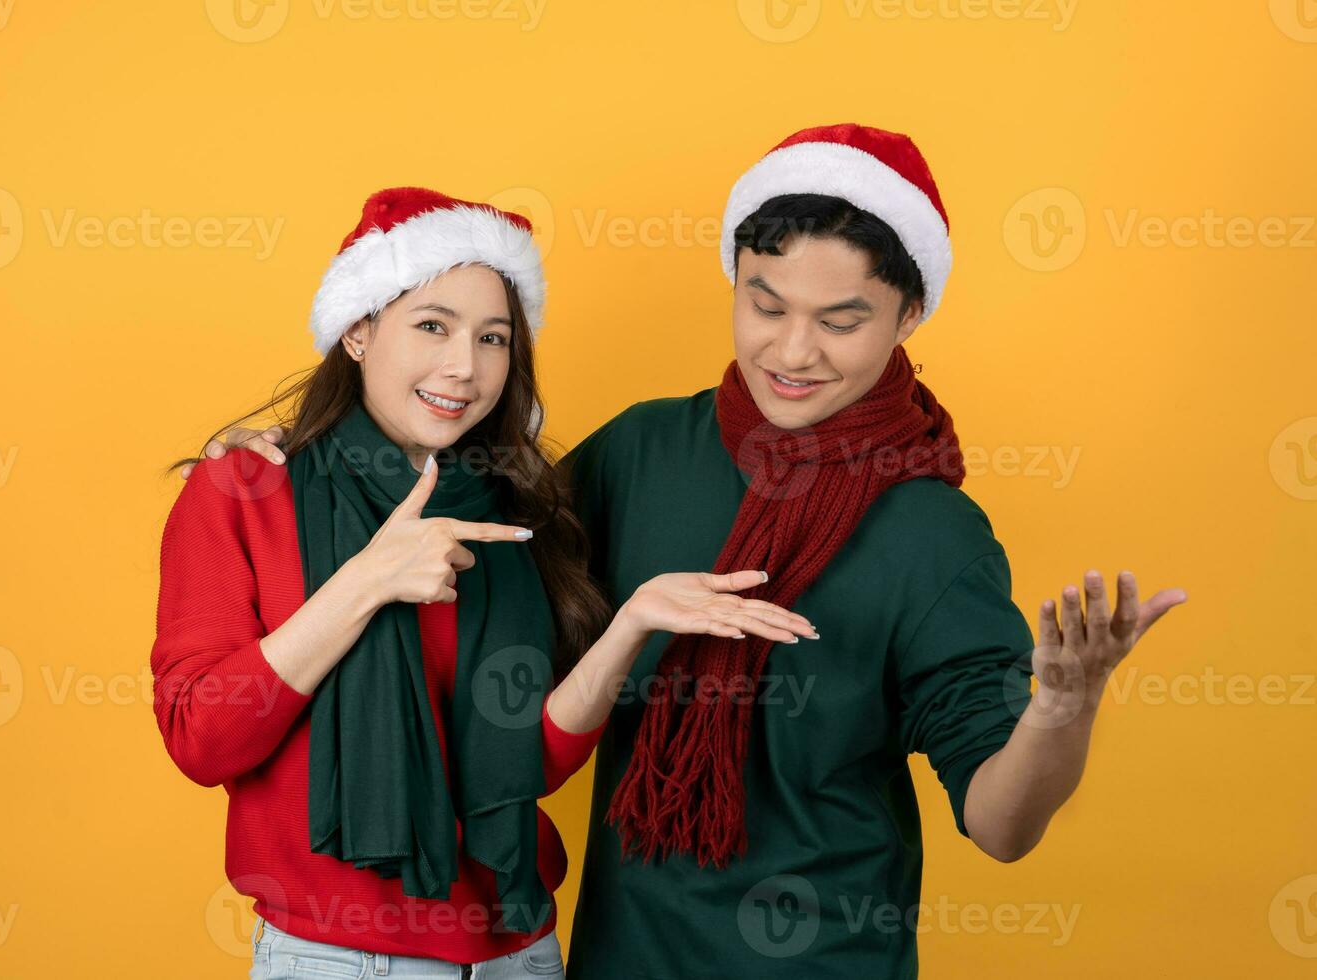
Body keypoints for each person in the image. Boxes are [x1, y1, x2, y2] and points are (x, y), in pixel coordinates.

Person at [195, 126, 1188, 978]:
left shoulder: (934, 533)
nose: (794, 352)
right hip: (612, 953)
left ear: (908, 315)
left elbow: (1004, 825)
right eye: (766, 305)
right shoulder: (641, 452)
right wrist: (284, 459)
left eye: (842, 321)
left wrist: (1062, 709)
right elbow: (458, 504)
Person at [151, 186, 813, 979]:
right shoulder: (247, 491)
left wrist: (630, 626)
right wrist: (366, 581)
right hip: (340, 958)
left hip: (521, 953)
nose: (465, 367)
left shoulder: (512, 506)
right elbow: (201, 737)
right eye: (432, 325)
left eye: (494, 338)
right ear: (359, 330)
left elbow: (527, 764)